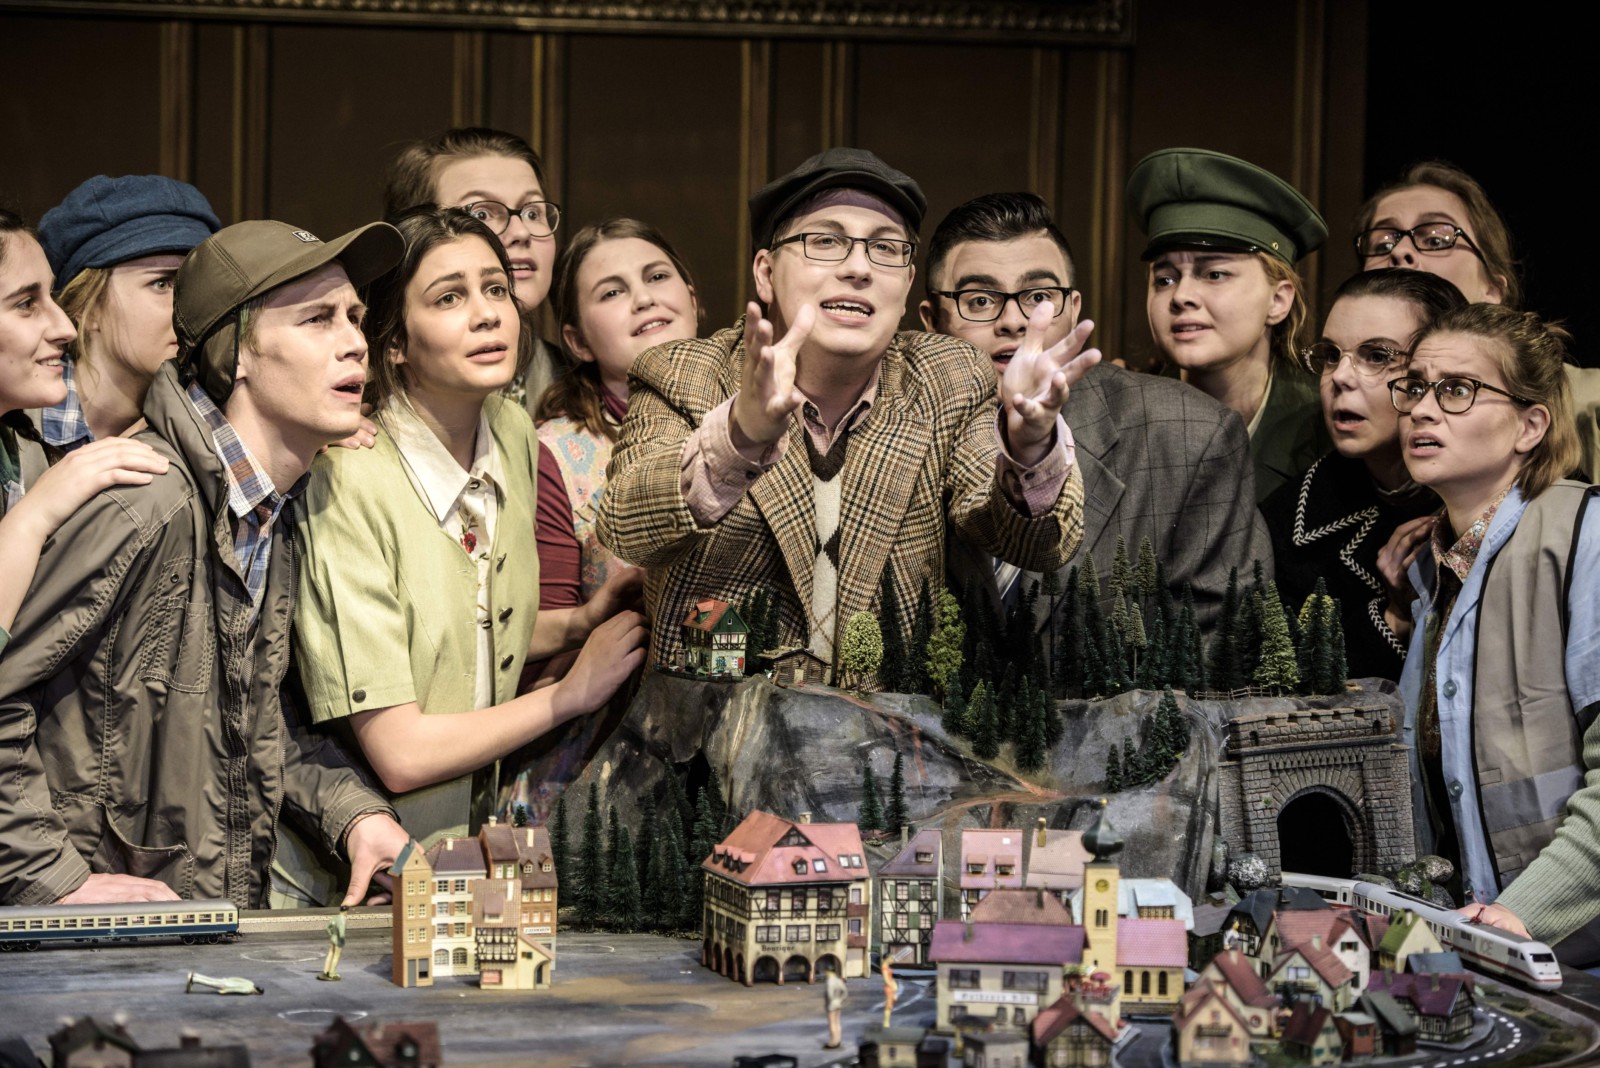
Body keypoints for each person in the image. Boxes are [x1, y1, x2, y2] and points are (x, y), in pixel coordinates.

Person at [0, 216, 412, 909]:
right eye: (317, 319)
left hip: (191, 929)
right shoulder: (146, 503)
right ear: (236, 354)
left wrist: (353, 815)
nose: (354, 343)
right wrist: (48, 876)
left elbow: (250, 720)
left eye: (354, 318)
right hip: (98, 941)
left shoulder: (272, 508)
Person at [597, 148, 1096, 673]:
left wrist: (1029, 446)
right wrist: (739, 438)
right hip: (718, 715)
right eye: (825, 241)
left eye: (885, 248)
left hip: (885, 723)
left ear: (906, 284)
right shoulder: (681, 372)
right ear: (766, 272)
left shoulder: (947, 377)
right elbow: (628, 526)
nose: (858, 268)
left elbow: (1033, 545)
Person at [288, 208, 645, 895]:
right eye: (449, 297)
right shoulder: (347, 477)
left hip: (462, 858)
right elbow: (400, 751)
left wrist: (579, 622)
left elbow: (459, 635)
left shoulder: (512, 430)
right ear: (394, 342)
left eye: (496, 289)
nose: (487, 314)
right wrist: (568, 696)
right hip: (356, 872)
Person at [921, 191, 1268, 635]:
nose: (1013, 321)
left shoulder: (1191, 436)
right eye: (980, 301)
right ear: (932, 322)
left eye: (1039, 296)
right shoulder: (899, 438)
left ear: (1073, 310)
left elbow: (1222, 643)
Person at [1383, 303, 1600, 962]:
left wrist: (1517, 914)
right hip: (1482, 947)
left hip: (1573, 956)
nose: (1422, 410)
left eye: (1457, 390)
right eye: (1415, 387)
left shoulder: (1584, 534)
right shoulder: (1433, 569)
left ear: (1530, 425)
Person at [1261, 269, 1466, 681]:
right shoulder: (1289, 520)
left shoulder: (1514, 491)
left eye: (1377, 356)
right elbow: (1295, 688)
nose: (1339, 377)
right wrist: (1395, 616)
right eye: (1331, 355)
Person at [1355, 159, 1600, 480]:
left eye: (1435, 239)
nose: (1399, 251)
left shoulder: (1589, 403)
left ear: (1493, 290)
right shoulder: (1338, 406)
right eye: (1383, 243)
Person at [0, 209, 170, 656]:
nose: (63, 328)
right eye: (25, 303)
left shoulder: (10, 441)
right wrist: (34, 515)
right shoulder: (29, 443)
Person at [1128, 147, 1331, 502]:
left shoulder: (1328, 430)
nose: (1181, 296)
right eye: (1165, 279)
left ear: (1278, 301)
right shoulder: (1121, 422)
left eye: (1214, 274)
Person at [535, 218, 701, 611]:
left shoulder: (762, 413)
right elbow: (549, 626)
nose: (644, 299)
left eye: (657, 277)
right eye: (612, 292)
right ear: (578, 341)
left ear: (692, 300)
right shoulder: (555, 454)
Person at [28, 176, 220, 470]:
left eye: (196, 284)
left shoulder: (214, 426)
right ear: (86, 306)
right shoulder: (16, 432)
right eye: (161, 284)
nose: (189, 307)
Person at [383, 127, 564, 416]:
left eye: (532, 213)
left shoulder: (588, 388)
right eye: (481, 213)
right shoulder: (349, 404)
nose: (521, 232)